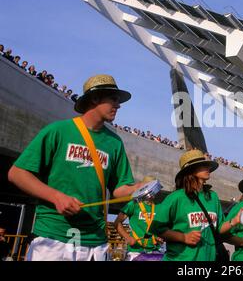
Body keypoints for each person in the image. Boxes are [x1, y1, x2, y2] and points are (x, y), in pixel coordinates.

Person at [8, 74, 145, 261]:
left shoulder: (115, 143)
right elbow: (17, 173)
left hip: (95, 243)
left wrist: (136, 189)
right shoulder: (58, 131)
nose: (118, 105)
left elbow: (119, 189)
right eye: (113, 98)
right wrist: (56, 197)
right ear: (95, 98)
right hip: (54, 239)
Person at [150, 149, 238, 261]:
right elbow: (156, 228)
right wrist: (183, 237)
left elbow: (219, 228)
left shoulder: (213, 197)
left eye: (207, 164)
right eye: (202, 165)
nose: (208, 168)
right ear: (190, 170)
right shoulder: (176, 197)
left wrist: (235, 221)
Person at [114, 175, 164, 261]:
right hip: (135, 251)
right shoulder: (133, 204)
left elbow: (160, 229)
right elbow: (117, 222)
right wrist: (128, 238)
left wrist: (160, 237)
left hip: (154, 252)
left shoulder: (159, 207)